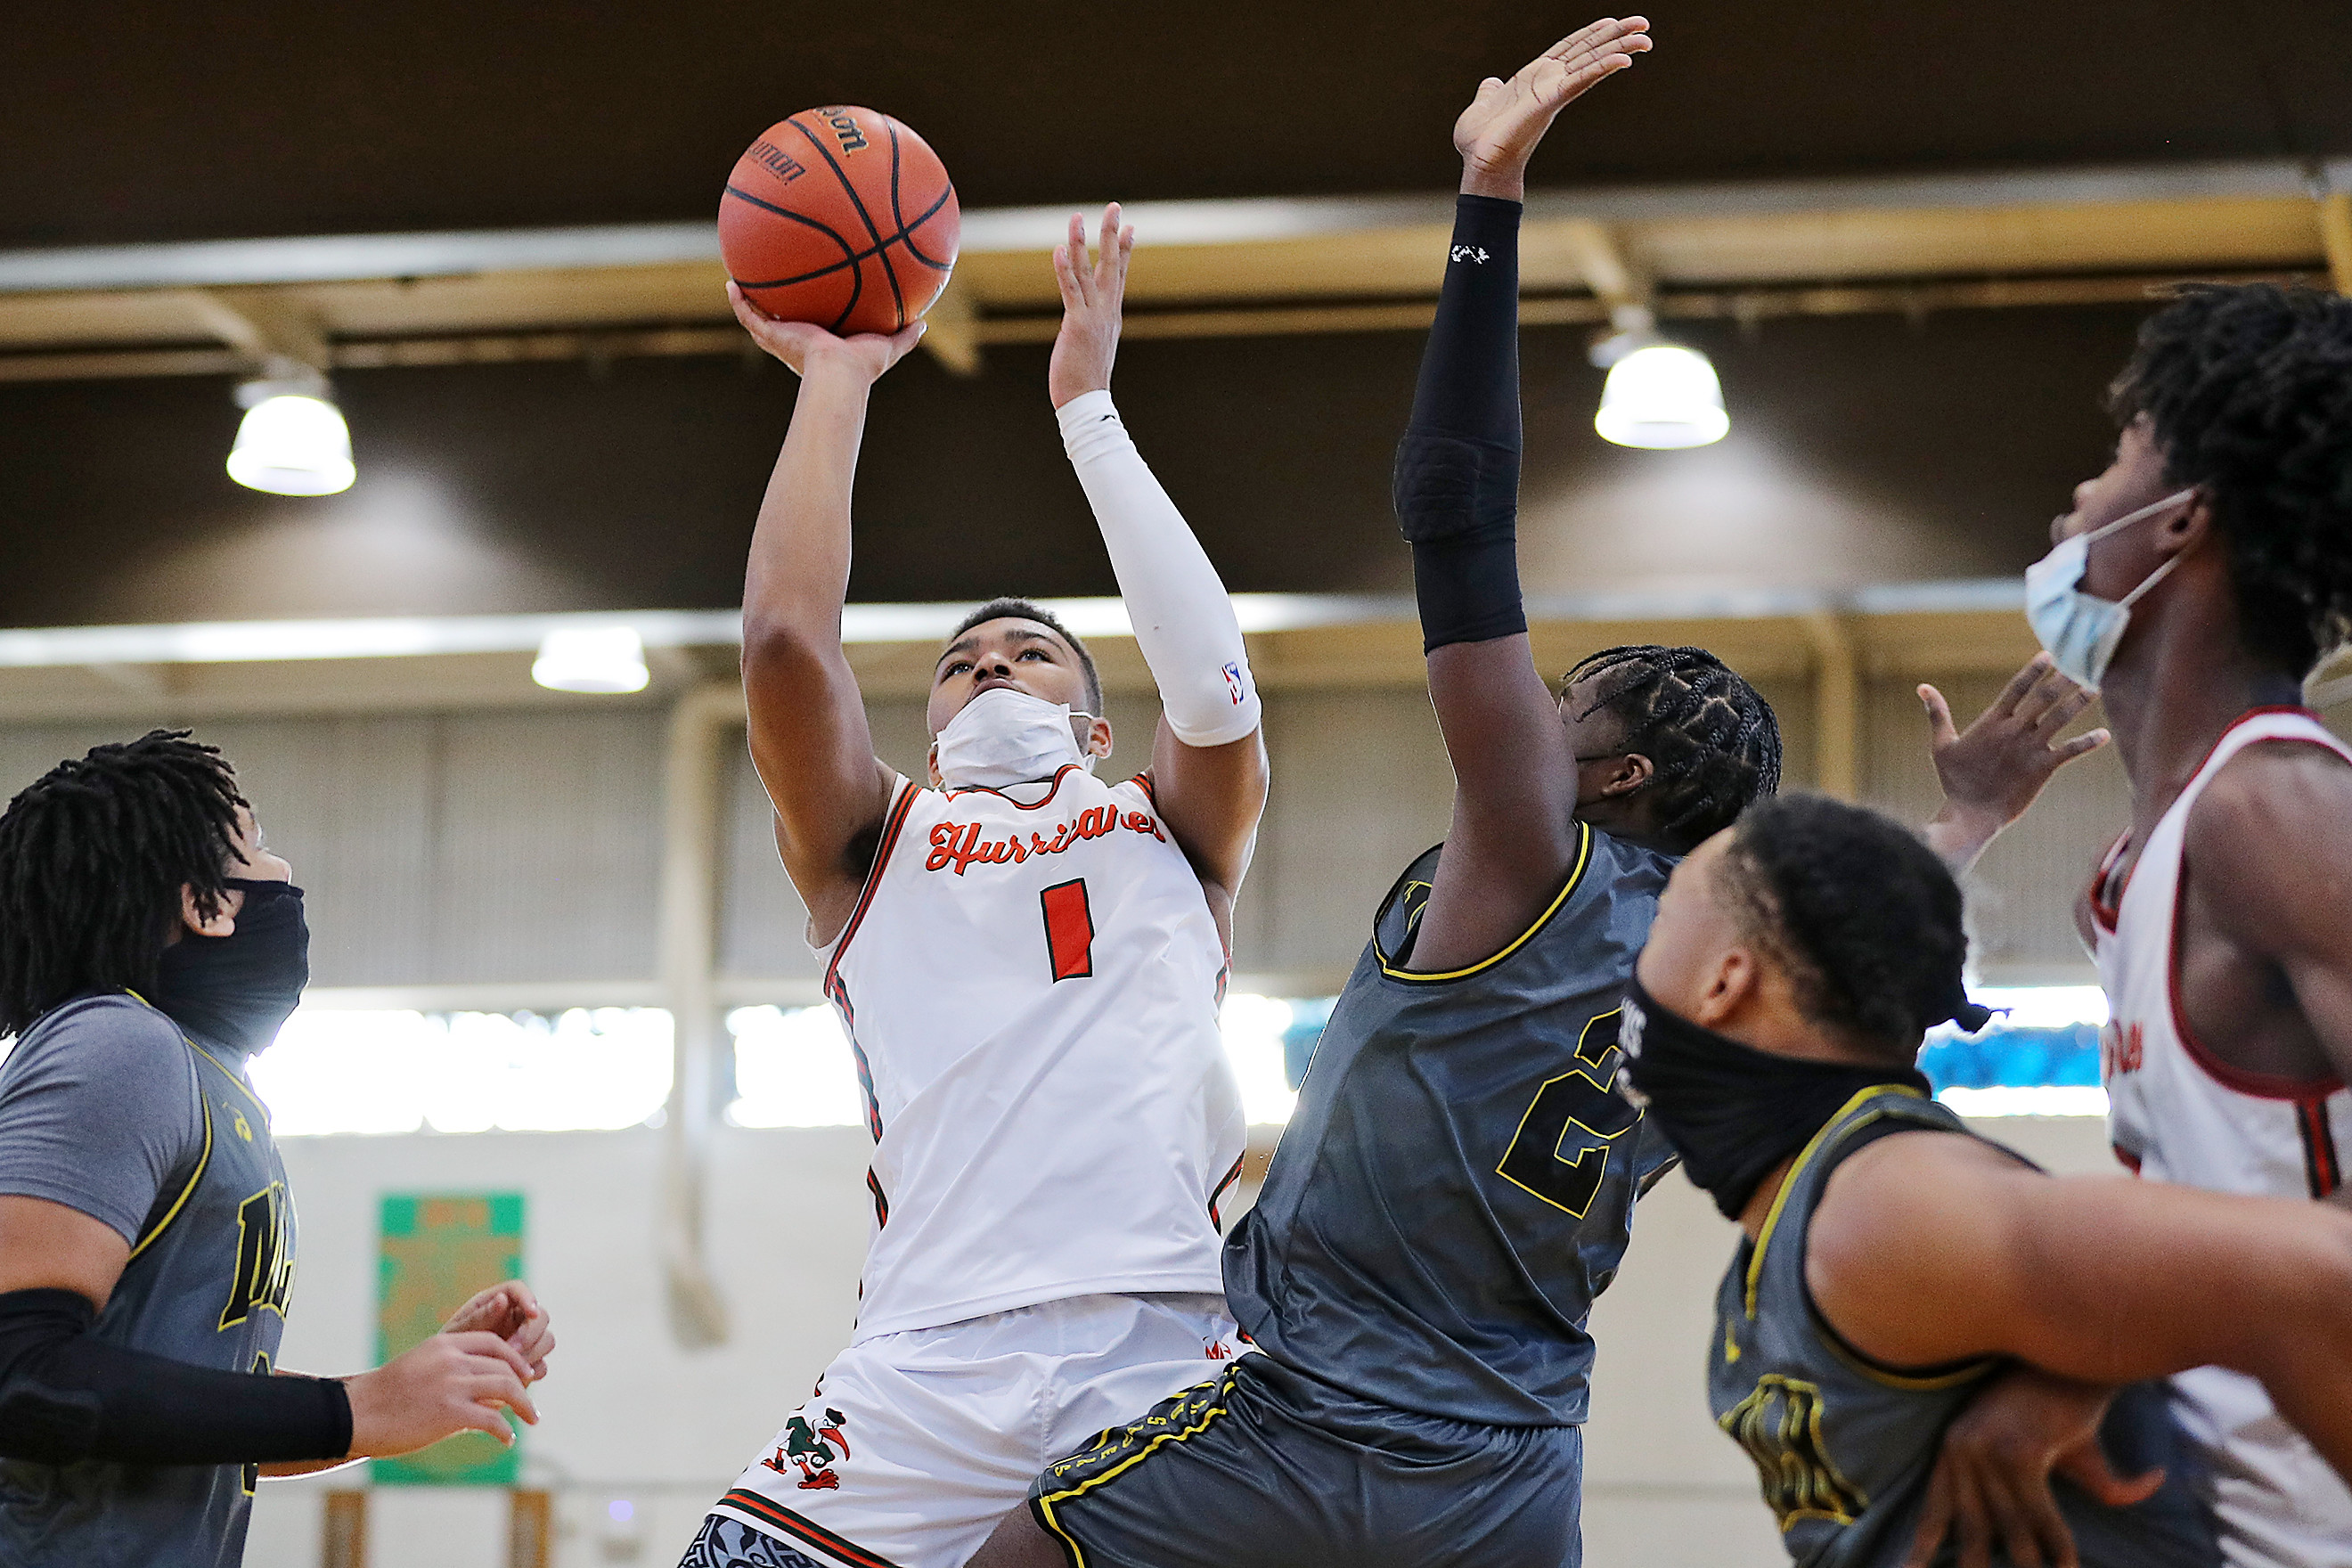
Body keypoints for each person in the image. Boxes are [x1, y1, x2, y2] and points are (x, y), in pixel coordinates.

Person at [963, 21, 1784, 1568]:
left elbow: (1454, 513)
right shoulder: (1728, 967)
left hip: (1321, 1418)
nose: (1535, 707)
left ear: (1609, 775)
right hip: (1518, 1461)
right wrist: (1975, 820)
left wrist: (1488, 201)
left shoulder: (1532, 848)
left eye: (1569, 706)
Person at [685, 198, 1270, 1568]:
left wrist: (1089, 412)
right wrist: (837, 379)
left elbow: (1215, 682)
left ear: (1096, 725)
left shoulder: (1171, 823)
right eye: (961, 662)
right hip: (929, 1350)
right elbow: (782, 639)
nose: (993, 664)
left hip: (1163, 1339)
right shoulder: (877, 843)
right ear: (930, 726)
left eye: (1031, 652)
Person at [1899, 282, 2352, 1568]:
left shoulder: (2276, 812)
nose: (2071, 508)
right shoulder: (2132, 868)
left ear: (2183, 523)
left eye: (2116, 462)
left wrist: (2100, 1345)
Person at [1624, 791, 2352, 1564]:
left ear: (1725, 982)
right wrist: (2092, 1361)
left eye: (1663, 915)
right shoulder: (1823, 1193)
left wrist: (2094, 1369)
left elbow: (2319, 1275)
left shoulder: (1887, 1205)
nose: (1636, 953)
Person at [0, 730, 556, 1567]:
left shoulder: (199, 1075)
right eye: (254, 846)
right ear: (207, 904)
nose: (281, 871)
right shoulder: (117, 1047)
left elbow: (165, 1416)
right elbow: (23, 1376)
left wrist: (400, 1389)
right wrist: (357, 1406)